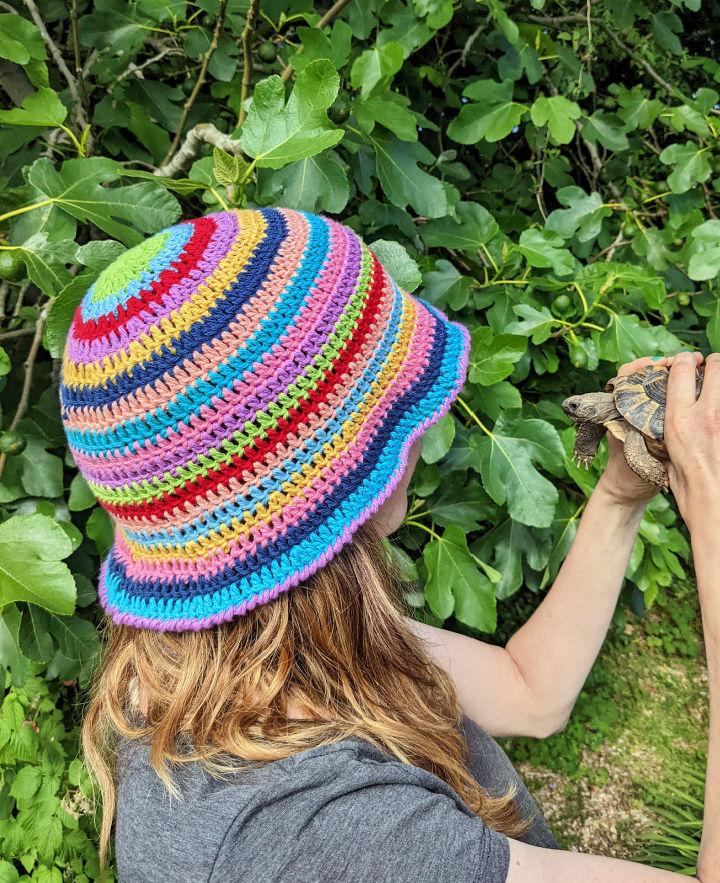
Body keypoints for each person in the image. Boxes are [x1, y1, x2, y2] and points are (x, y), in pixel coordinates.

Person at [60, 207, 719, 882]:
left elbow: (532, 691)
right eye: (392, 406)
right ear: (323, 473)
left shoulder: (252, 657)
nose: (421, 430)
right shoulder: (323, 836)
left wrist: (617, 494)